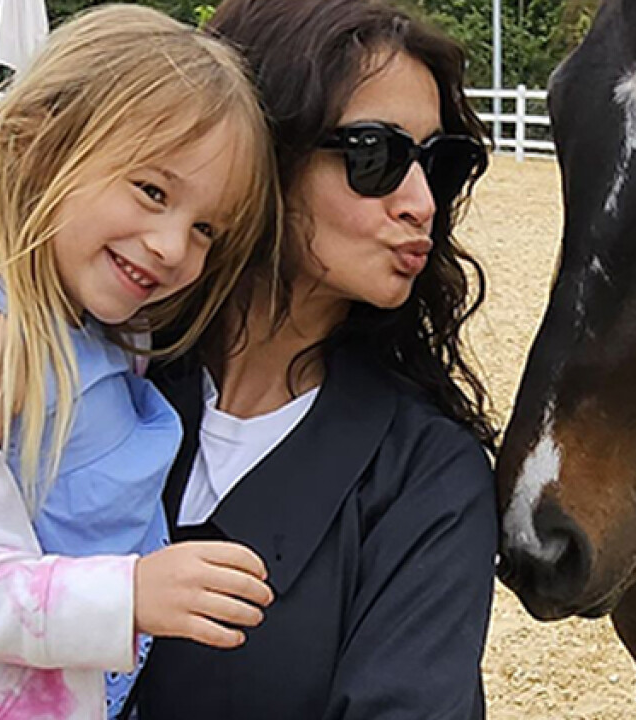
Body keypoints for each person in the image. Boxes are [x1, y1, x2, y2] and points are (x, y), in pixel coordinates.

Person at [0, 6, 280, 719]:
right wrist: (126, 596)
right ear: (34, 147)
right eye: (152, 191)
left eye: (207, 228)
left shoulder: (108, 331)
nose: (174, 246)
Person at [130, 0, 499, 717]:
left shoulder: (427, 477)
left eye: (440, 164)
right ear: (262, 149)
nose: (421, 202)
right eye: (375, 155)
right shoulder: (95, 381)